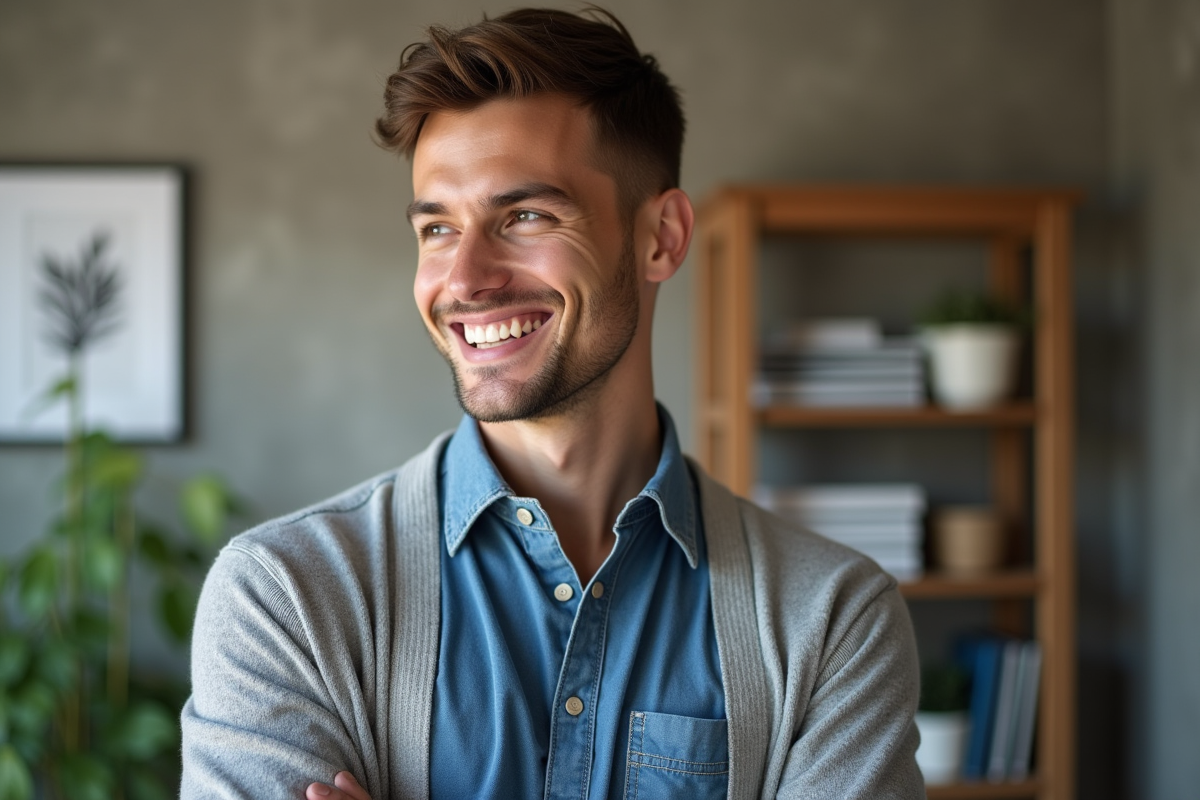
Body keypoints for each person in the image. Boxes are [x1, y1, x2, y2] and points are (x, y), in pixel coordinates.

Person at [180, 8, 923, 799]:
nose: (463, 279)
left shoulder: (831, 621)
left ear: (662, 238)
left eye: (525, 216)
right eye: (436, 229)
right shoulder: (289, 596)